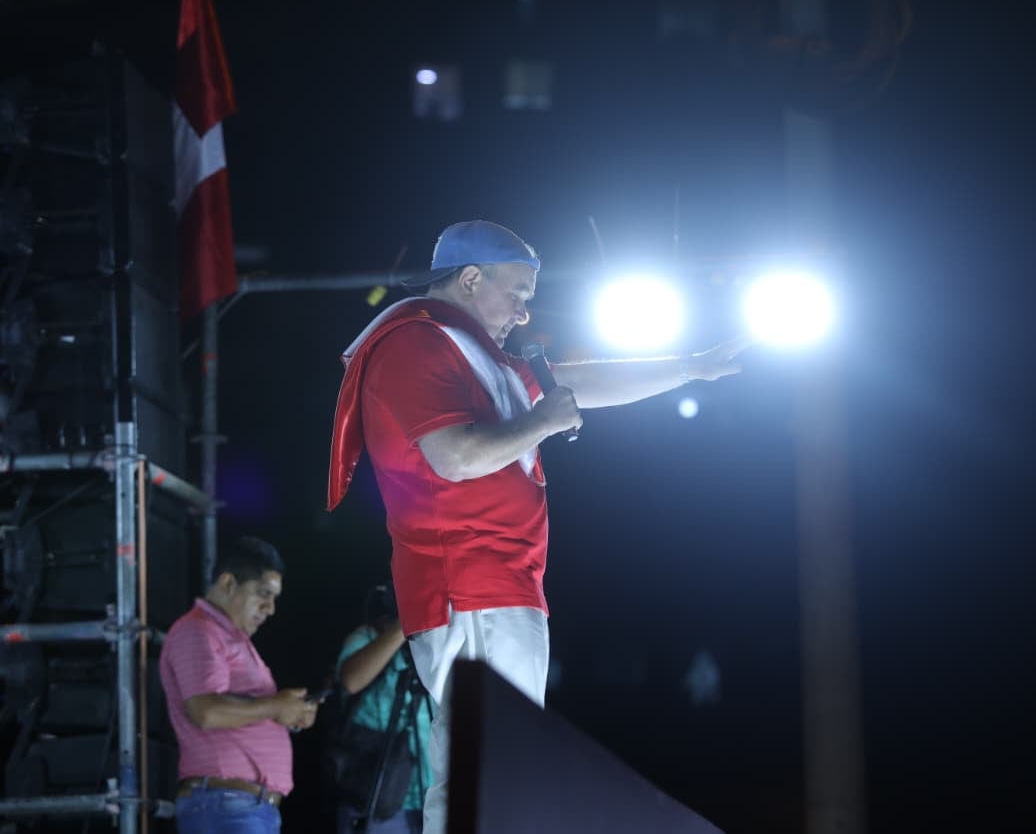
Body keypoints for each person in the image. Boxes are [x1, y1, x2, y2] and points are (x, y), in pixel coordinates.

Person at [326, 219, 744, 833]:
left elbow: (576, 382)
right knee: (485, 764)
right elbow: (457, 456)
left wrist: (687, 367)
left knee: (499, 763)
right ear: (470, 278)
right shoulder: (415, 342)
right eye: (517, 294)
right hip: (467, 584)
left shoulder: (476, 351)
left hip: (501, 584)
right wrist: (543, 422)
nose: (524, 314)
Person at [159, 536, 320, 834]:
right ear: (227, 583)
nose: (270, 608)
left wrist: (289, 713)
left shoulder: (231, 638)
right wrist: (277, 706)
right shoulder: (199, 631)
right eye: (262, 594)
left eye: (274, 598)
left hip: (244, 809)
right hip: (228, 807)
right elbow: (206, 711)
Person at [329, 582, 432, 833]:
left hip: (427, 800)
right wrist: (406, 623)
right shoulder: (367, 636)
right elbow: (351, 680)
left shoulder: (430, 646)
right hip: (373, 794)